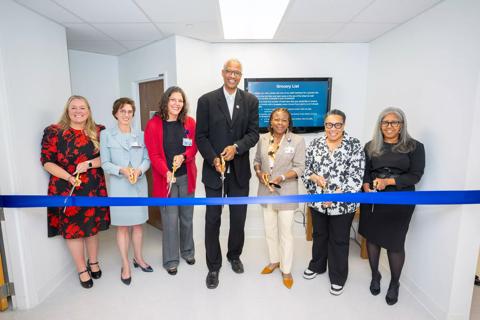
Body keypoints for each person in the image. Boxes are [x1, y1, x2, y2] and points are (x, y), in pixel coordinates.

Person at [196, 58, 259, 289]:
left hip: (240, 172)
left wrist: (237, 148)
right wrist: (214, 159)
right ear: (223, 73)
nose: (233, 76)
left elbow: (253, 134)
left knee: (238, 219)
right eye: (229, 71)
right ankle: (213, 266)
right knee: (212, 219)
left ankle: (234, 255)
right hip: (215, 172)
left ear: (240, 76)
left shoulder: (251, 100)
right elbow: (200, 136)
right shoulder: (206, 100)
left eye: (237, 73)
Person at [40, 95, 110, 289]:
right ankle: (81, 269)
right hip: (65, 187)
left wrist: (87, 164)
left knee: (91, 227)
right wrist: (69, 177)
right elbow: (47, 162)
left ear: (89, 110)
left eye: (82, 108)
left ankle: (93, 261)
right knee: (74, 231)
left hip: (93, 187)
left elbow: (106, 158)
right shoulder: (54, 132)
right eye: (74, 108)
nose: (78, 111)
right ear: (67, 110)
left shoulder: (99, 131)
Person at [359, 107, 425, 305]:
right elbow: (365, 172)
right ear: (380, 125)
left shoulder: (415, 147)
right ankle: (375, 275)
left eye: (394, 122)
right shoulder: (370, 146)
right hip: (373, 199)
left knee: (395, 243)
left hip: (400, 200)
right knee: (372, 239)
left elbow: (416, 175)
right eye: (385, 122)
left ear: (402, 125)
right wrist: (366, 186)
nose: (389, 126)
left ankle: (395, 283)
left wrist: (389, 182)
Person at [301, 109, 365, 296]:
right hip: (318, 201)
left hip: (343, 204)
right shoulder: (315, 144)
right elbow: (306, 171)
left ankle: (338, 277)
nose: (333, 129)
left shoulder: (354, 145)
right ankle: (317, 265)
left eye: (337, 124)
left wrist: (335, 196)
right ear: (325, 126)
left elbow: (356, 177)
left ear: (344, 125)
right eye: (329, 125)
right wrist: (315, 178)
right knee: (319, 235)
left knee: (339, 239)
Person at [144, 86, 198, 276]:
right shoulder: (154, 124)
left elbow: (194, 147)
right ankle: (170, 260)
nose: (177, 104)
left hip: (186, 178)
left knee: (187, 218)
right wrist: (166, 171)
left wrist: (184, 156)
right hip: (165, 180)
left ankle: (188, 251)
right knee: (169, 220)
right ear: (166, 101)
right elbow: (154, 154)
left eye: (180, 101)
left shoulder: (190, 123)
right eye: (173, 100)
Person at [100, 97, 152, 286]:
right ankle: (125, 265)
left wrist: (139, 170)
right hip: (119, 186)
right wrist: (121, 170)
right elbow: (105, 163)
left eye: (130, 111)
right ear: (115, 113)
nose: (126, 115)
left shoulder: (141, 134)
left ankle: (138, 258)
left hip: (138, 184)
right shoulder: (106, 135)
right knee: (122, 226)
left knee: (138, 225)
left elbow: (147, 159)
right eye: (122, 111)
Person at [253, 108, 305, 289]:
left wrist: (282, 177)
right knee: (269, 229)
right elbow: (257, 160)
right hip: (266, 191)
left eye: (284, 120)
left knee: (286, 233)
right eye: (276, 119)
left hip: (286, 192)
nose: (280, 123)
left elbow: (299, 167)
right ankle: (274, 261)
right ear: (271, 121)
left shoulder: (297, 140)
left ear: (288, 122)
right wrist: (259, 173)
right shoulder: (263, 138)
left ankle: (287, 269)